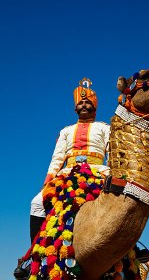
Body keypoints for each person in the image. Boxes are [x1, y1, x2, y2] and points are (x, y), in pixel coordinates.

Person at [30, 78, 110, 242]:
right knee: (37, 202)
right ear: (75, 108)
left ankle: (127, 251)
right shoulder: (66, 131)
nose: (84, 105)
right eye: (80, 103)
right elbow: (57, 158)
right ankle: (33, 255)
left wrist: (113, 176)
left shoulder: (105, 128)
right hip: (67, 174)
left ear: (95, 107)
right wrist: (47, 181)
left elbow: (113, 155)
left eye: (88, 102)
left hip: (98, 173)